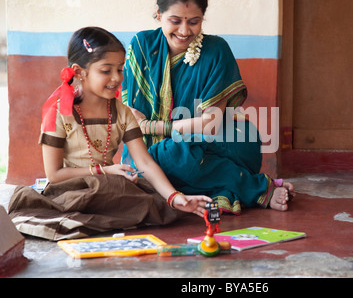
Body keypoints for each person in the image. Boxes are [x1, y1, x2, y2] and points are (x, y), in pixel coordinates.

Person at [8, 26, 211, 241]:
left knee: (151, 200)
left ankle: (85, 221)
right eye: (106, 71)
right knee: (108, 191)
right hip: (72, 190)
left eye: (120, 69)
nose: (117, 78)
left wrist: (174, 197)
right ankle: (91, 218)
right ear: (79, 72)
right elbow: (54, 175)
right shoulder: (58, 113)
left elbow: (145, 162)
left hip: (111, 187)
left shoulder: (123, 112)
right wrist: (105, 171)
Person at [121, 0, 295, 215]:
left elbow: (210, 125)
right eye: (175, 21)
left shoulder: (216, 50)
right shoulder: (141, 46)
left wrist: (151, 126)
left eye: (194, 22)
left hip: (211, 145)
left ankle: (182, 181)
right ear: (158, 14)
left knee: (231, 140)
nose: (184, 31)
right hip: (150, 153)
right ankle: (255, 187)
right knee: (172, 157)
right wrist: (150, 132)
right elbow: (129, 116)